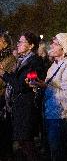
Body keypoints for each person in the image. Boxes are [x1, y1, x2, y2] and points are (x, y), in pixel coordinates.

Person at [31, 33, 67, 161]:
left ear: (64, 48)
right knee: (52, 153)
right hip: (50, 114)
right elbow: (52, 89)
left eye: (55, 43)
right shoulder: (55, 65)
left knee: (59, 154)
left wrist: (46, 86)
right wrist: (37, 85)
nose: (51, 45)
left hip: (61, 117)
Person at [0, 31, 45, 161]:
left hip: (26, 107)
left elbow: (22, 85)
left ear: (31, 45)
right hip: (19, 106)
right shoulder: (22, 60)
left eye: (21, 42)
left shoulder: (34, 61)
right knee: (22, 142)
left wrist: (3, 74)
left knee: (26, 143)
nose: (18, 44)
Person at [0, 32, 15, 161]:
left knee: (5, 128)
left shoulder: (9, 59)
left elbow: (5, 80)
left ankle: (8, 153)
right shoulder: (2, 57)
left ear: (4, 43)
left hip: (4, 98)